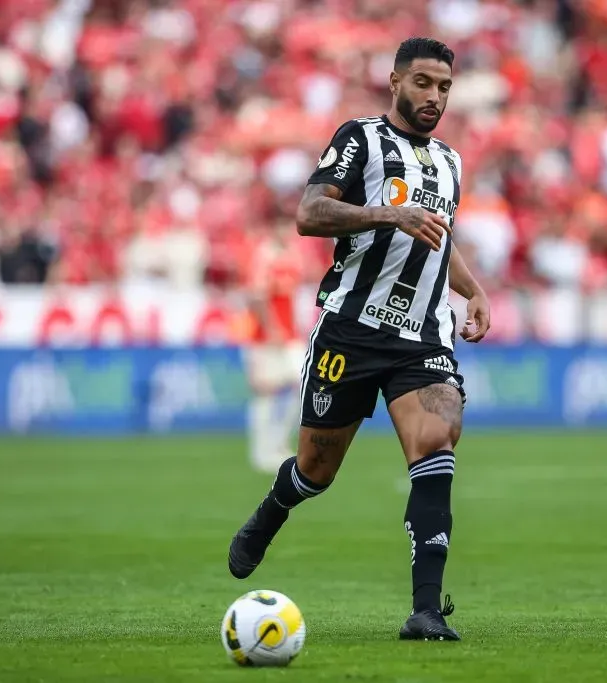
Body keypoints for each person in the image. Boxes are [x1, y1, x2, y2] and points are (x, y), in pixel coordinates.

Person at [227, 37, 491, 642]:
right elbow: (309, 214)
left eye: (444, 87)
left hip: (423, 334)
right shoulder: (359, 139)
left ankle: (426, 610)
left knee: (436, 436)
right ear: (395, 81)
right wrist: (386, 213)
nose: (434, 97)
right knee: (316, 469)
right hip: (350, 328)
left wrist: (472, 289)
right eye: (423, 83)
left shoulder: (449, 162)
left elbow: (437, 239)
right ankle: (273, 510)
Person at [242, 220, 307, 473]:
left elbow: (293, 296)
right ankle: (260, 451)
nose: (287, 231)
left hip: (290, 334)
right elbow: (255, 296)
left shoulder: (292, 254)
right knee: (266, 390)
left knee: (303, 386)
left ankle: (279, 442)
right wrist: (270, 328)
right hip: (267, 336)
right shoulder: (264, 255)